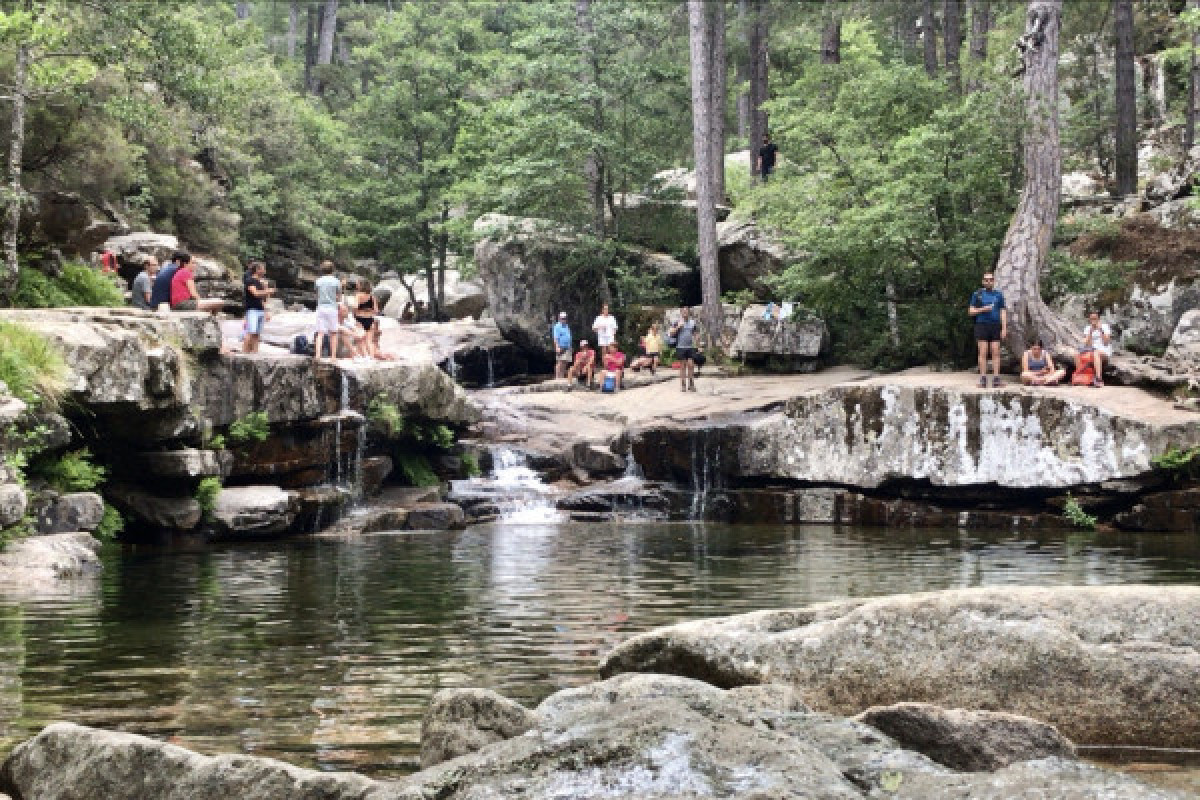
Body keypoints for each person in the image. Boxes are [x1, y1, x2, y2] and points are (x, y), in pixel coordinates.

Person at [968, 272, 1007, 388]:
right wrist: (982, 309)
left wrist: (1004, 328)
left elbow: (1002, 311)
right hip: (982, 325)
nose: (988, 282)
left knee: (996, 352)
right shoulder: (977, 294)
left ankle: (996, 379)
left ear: (994, 281)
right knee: (983, 352)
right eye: (986, 280)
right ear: (983, 281)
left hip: (995, 325)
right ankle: (983, 379)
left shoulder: (998, 294)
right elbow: (970, 311)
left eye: (991, 279)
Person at [242, 261, 275, 354]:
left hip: (260, 309)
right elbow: (255, 293)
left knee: (257, 334)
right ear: (257, 270)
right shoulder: (250, 281)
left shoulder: (260, 282)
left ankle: (255, 353)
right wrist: (268, 291)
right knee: (250, 332)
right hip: (252, 310)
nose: (264, 270)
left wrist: (266, 312)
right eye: (263, 268)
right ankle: (244, 353)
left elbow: (263, 299)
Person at [313, 260, 342, 363]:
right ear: (332, 269)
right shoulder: (336, 281)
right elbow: (339, 297)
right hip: (332, 308)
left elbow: (317, 295)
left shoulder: (318, 281)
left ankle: (318, 355)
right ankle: (333, 356)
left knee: (320, 333)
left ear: (322, 269)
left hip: (321, 307)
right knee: (333, 333)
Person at [670, 305, 699, 392]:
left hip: (690, 347)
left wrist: (698, 344)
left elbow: (695, 333)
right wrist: (678, 327)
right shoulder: (677, 322)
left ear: (689, 312)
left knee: (691, 365)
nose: (685, 313)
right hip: (680, 347)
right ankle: (683, 384)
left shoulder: (692, 322)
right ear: (681, 312)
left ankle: (691, 384)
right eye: (683, 311)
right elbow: (671, 333)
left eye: (686, 311)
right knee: (682, 366)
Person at [354, 279, 381, 359]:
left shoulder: (358, 295)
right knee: (369, 341)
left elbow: (355, 306)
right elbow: (376, 311)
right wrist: (368, 310)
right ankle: (371, 357)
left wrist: (357, 311)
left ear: (361, 286)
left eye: (358, 284)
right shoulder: (372, 297)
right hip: (370, 319)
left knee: (360, 339)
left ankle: (362, 356)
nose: (357, 286)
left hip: (360, 319)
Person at [552, 311, 573, 380]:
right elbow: (555, 338)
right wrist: (557, 346)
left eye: (565, 318)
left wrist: (570, 346)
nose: (564, 319)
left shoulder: (566, 326)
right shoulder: (557, 326)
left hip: (567, 346)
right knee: (560, 362)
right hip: (561, 346)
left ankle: (562, 376)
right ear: (559, 318)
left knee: (565, 361)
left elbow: (568, 335)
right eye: (562, 318)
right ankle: (557, 377)